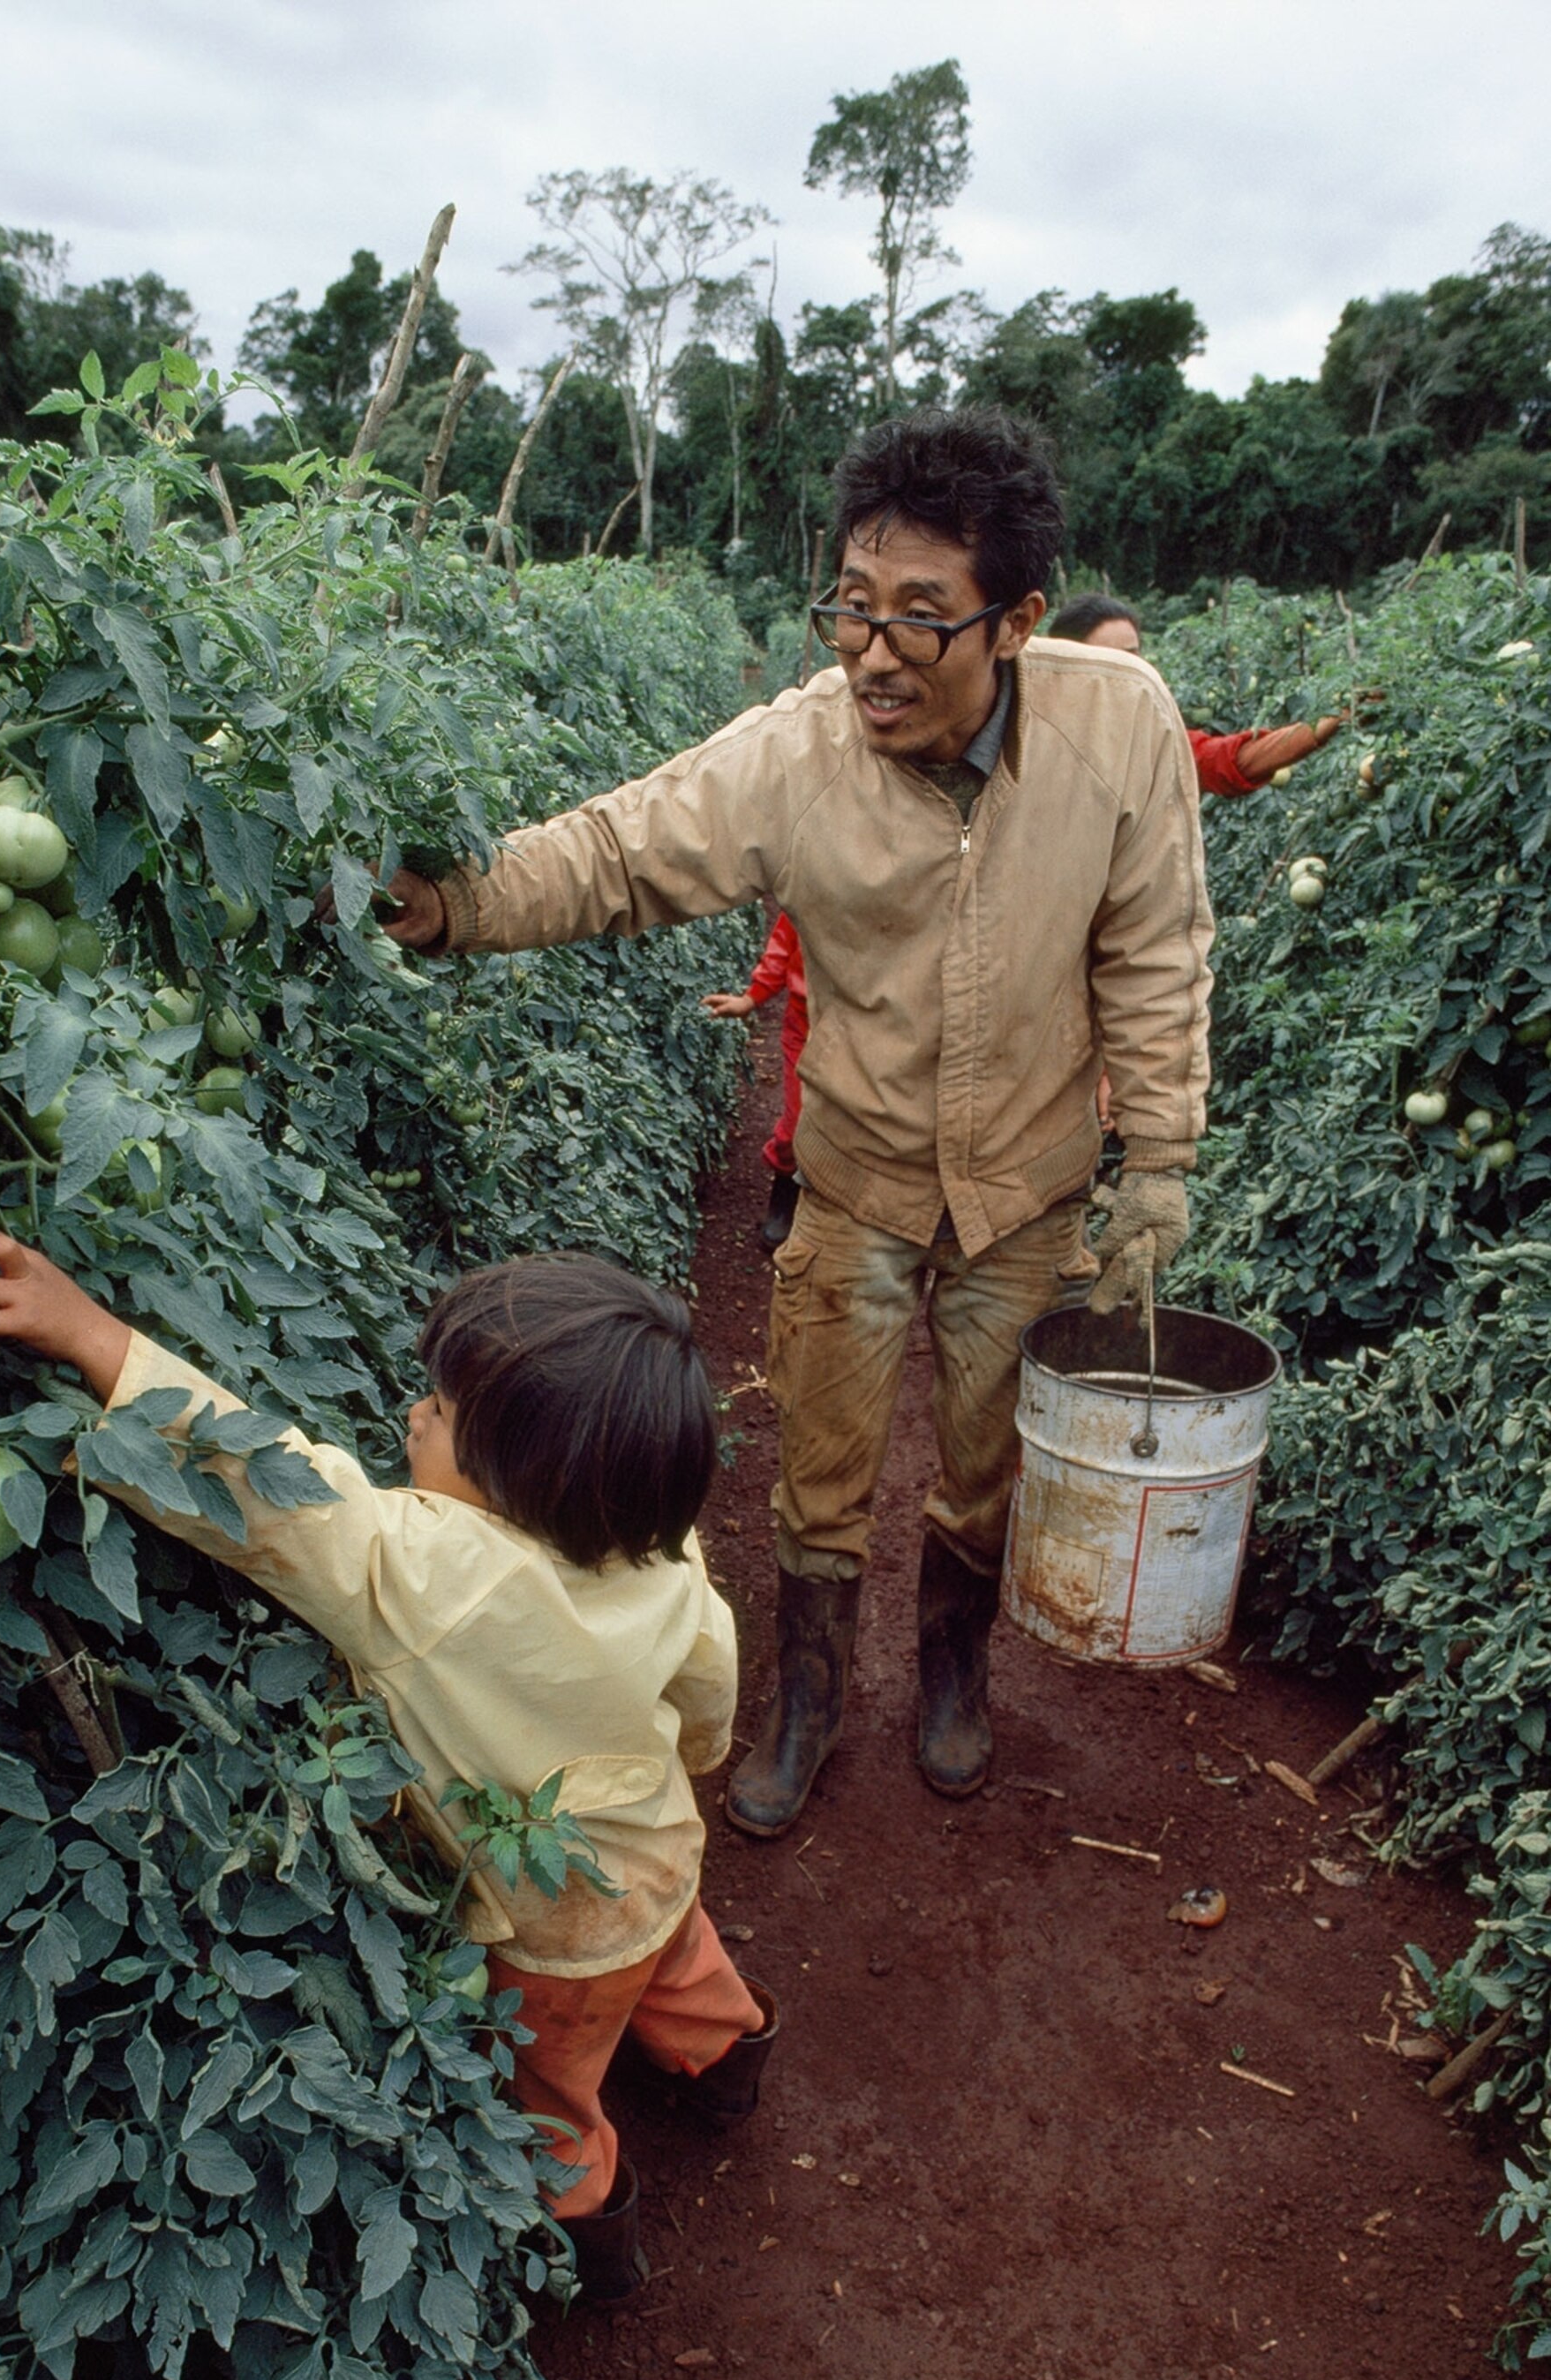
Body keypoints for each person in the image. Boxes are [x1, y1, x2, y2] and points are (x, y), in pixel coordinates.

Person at [377, 406, 1213, 1839]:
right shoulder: (795, 754)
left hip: (1028, 1190)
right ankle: (807, 1699)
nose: (871, 652)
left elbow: (1153, 944)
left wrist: (1163, 1157)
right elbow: (619, 848)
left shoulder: (1116, 728)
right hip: (857, 1183)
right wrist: (449, 903)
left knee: (981, 1452)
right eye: (850, 606)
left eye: (917, 620)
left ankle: (951, 1672)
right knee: (818, 1465)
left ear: (1012, 618)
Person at [0, 1199, 776, 2308]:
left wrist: (92, 1335)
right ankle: (728, 2068)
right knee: (676, 1961)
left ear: (510, 1482)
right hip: (660, 1850)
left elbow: (270, 1488)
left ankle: (588, 2239)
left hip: (550, 1921)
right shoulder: (663, 1555)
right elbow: (708, 1685)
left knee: (551, 2079)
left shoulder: (420, 1570)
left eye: (435, 1409)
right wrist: (700, 1757)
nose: (410, 1414)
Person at [1046, 591, 1350, 795]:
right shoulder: (1032, 740)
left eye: (1133, 657)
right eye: (1111, 661)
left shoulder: (1148, 742)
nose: (1131, 672)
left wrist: (1325, 724)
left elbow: (1229, 760)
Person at [703, 906, 809, 1252]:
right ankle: (784, 1199)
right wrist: (752, 998)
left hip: (867, 1029)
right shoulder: (816, 874)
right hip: (805, 1025)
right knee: (797, 1125)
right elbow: (784, 941)